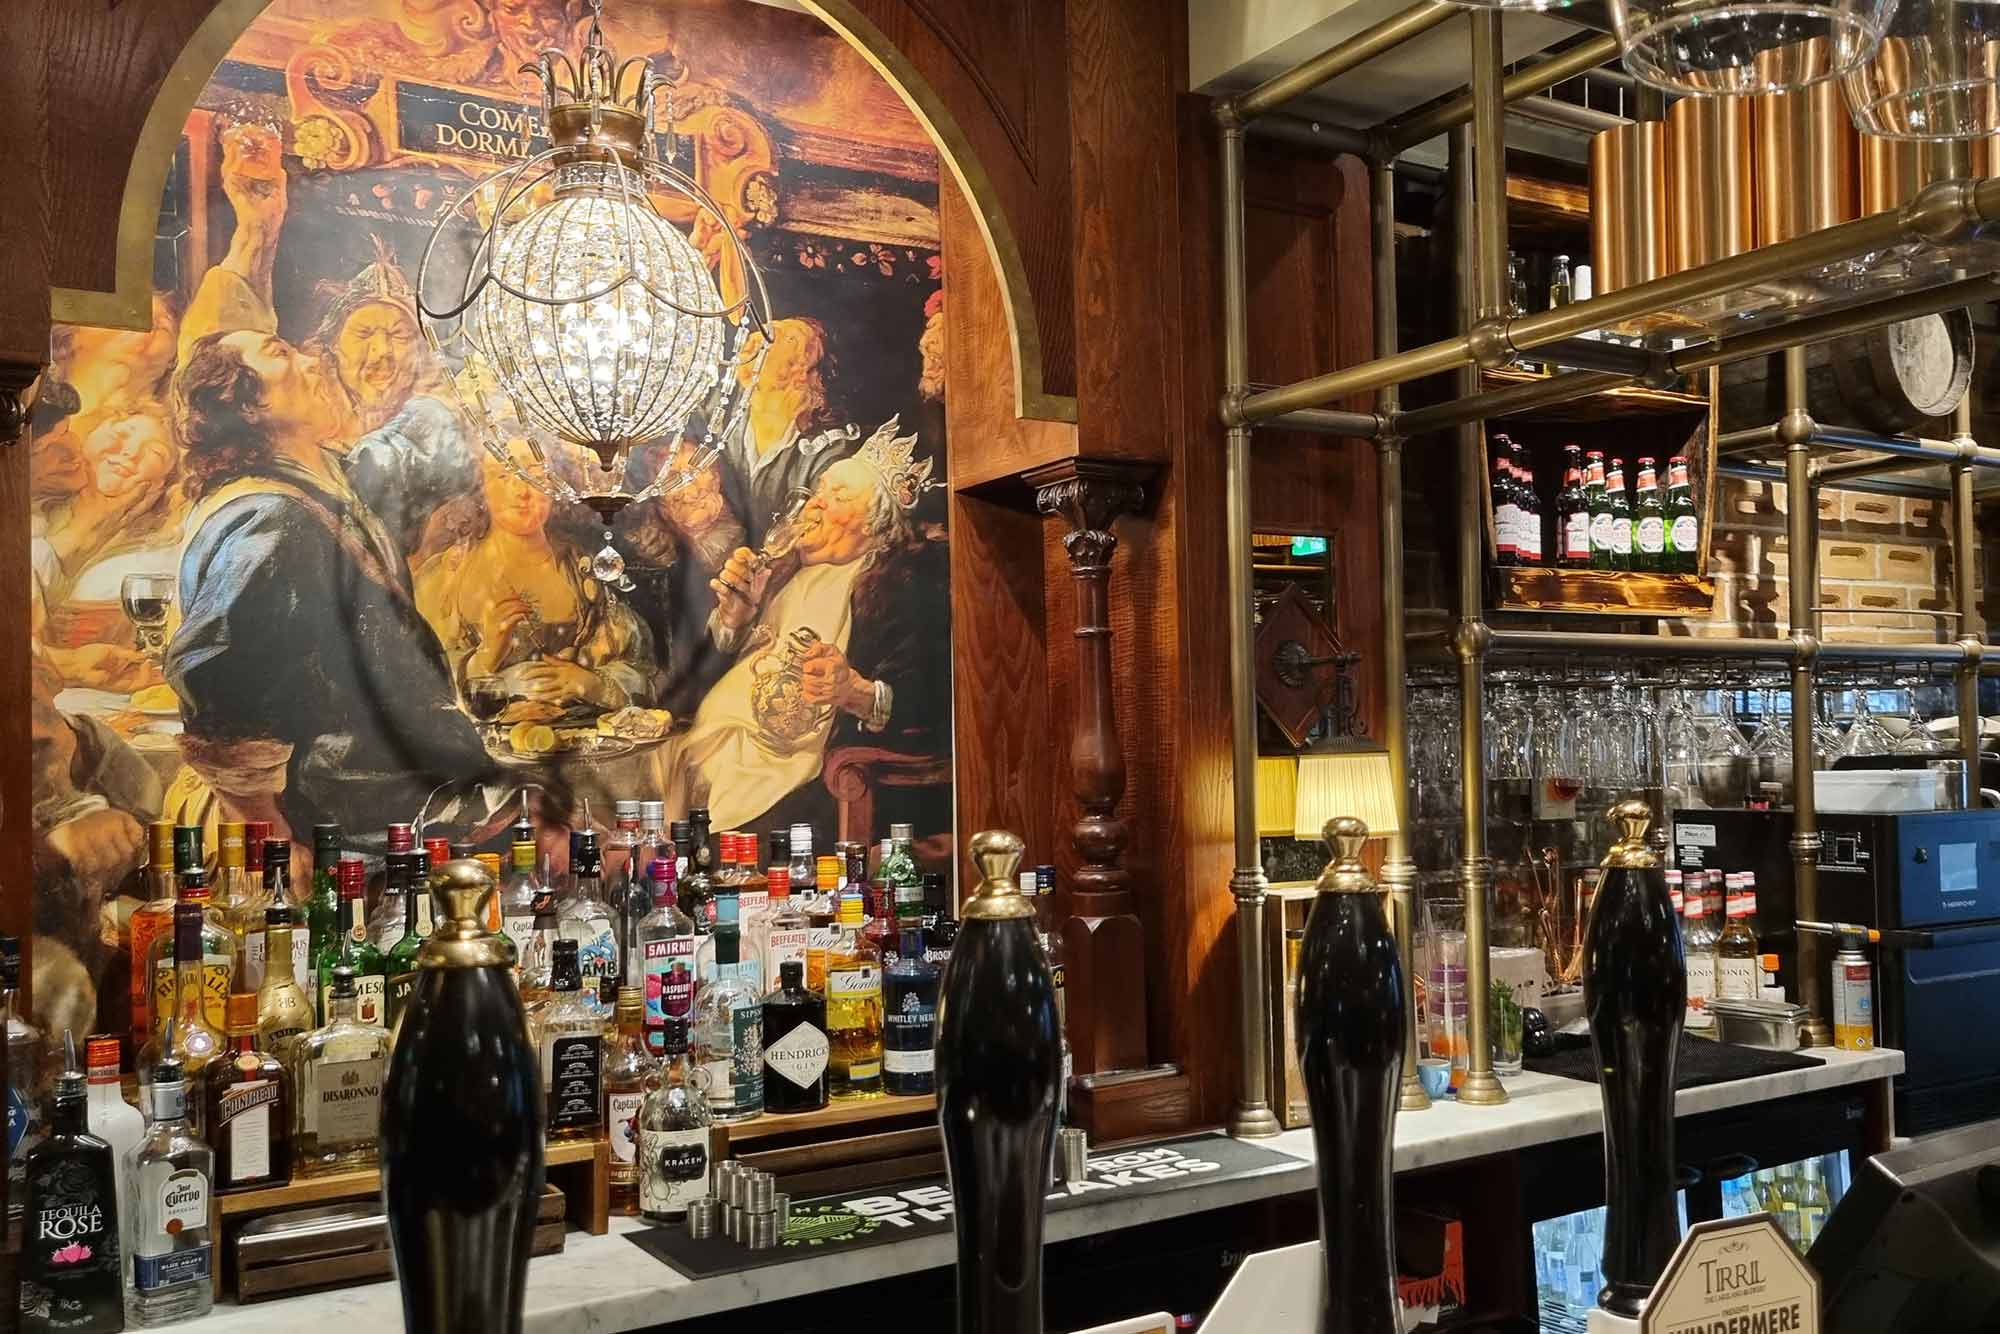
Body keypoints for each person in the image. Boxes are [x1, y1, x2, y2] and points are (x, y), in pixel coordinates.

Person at [163, 327, 500, 855]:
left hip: (388, 794)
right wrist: (267, 834)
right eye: (281, 353)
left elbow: (405, 447)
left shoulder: (330, 480)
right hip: (330, 818)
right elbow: (220, 682)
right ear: (247, 406)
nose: (314, 360)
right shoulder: (268, 517)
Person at [668, 420, 948, 829]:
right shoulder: (781, 567)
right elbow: (694, 677)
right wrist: (733, 620)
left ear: (873, 523)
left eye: (839, 496)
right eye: (819, 490)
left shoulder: (900, 587)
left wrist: (853, 691)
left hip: (794, 778)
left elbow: (926, 701)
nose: (815, 504)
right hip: (712, 746)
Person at [415, 441, 662, 715]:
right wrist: (485, 659)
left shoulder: (583, 570)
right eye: (504, 476)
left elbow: (641, 674)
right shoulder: (446, 576)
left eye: (536, 475)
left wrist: (591, 684)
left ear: (556, 486)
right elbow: (416, 683)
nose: (521, 491)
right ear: (481, 487)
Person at [720, 317, 858, 549]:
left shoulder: (828, 454)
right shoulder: (716, 413)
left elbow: (814, 538)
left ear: (802, 374)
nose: (758, 337)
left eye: (789, 339)